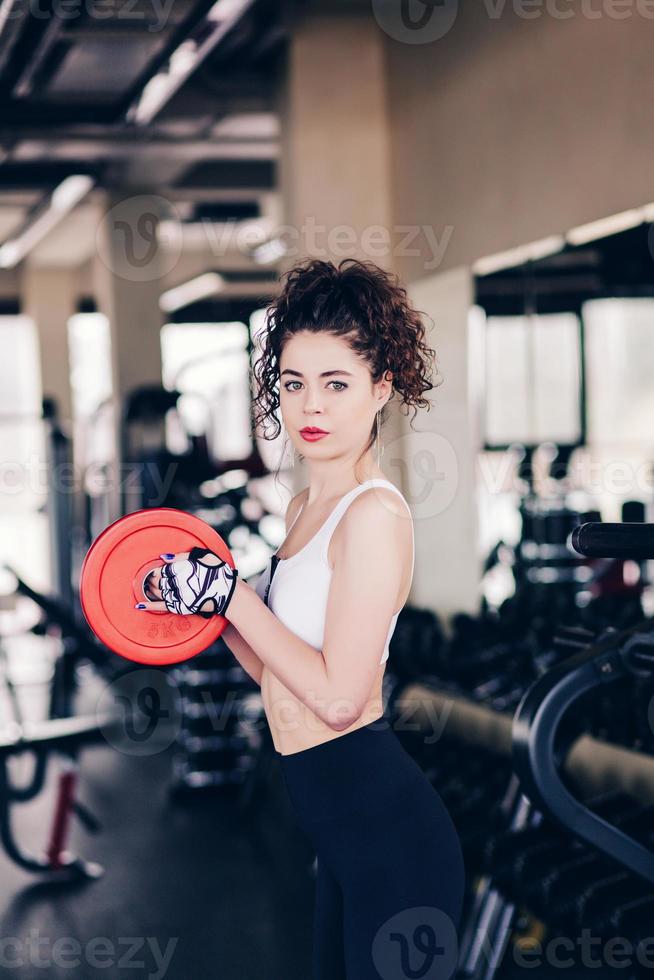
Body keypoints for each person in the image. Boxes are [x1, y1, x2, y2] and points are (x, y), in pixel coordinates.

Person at [137, 257, 465, 980]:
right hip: (339, 832)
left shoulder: (374, 515)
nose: (310, 407)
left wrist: (232, 595)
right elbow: (280, 676)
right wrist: (211, 610)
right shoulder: (303, 509)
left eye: (336, 383)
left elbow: (340, 698)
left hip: (391, 838)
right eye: (293, 383)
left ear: (382, 387)